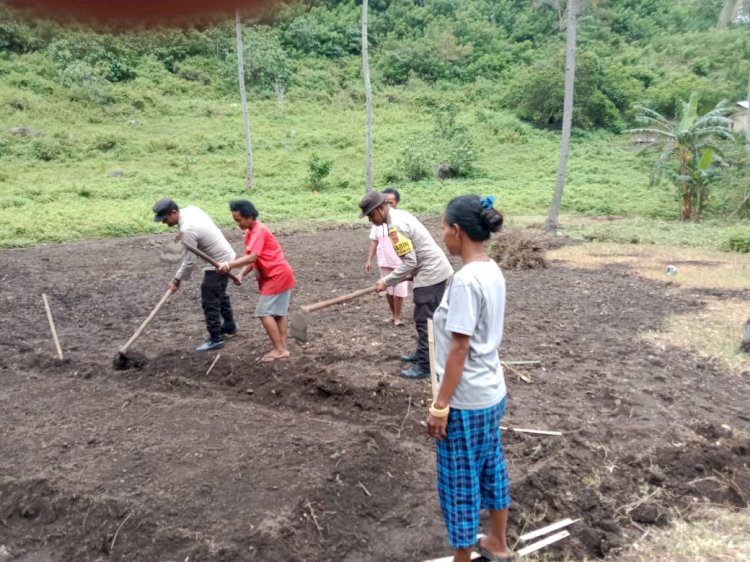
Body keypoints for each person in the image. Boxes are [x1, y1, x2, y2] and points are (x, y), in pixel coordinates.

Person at [426, 194, 511, 562]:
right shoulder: (492, 270)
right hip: (492, 393)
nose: (442, 233)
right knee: (491, 465)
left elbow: (459, 349)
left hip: (465, 401)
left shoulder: (464, 281)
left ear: (457, 231)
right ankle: (498, 543)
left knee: (459, 485)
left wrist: (440, 405)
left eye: (443, 227)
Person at [359, 191, 453, 379]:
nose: (371, 221)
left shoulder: (395, 227)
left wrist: (386, 281)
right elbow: (413, 259)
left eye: (371, 215)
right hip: (430, 270)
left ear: (380, 209)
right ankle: (422, 353)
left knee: (424, 320)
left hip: (431, 273)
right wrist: (402, 276)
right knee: (424, 318)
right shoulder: (400, 215)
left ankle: (426, 365)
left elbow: (409, 262)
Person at [153, 197, 238, 352]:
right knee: (218, 293)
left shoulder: (187, 229)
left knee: (209, 298)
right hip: (225, 254)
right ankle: (229, 326)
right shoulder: (191, 209)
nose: (164, 223)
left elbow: (190, 262)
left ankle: (216, 338)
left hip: (219, 262)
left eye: (165, 219)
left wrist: (176, 280)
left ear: (173, 212)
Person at [218, 200, 295, 362]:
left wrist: (228, 264)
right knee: (279, 314)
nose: (237, 224)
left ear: (250, 217)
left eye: (239, 220)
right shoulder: (249, 233)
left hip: (277, 274)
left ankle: (279, 349)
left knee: (264, 312)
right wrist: (241, 275)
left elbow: (252, 256)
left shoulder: (259, 230)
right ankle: (283, 349)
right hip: (277, 274)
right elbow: (254, 260)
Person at [365, 188, 408, 326]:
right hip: (384, 260)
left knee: (399, 291)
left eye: (391, 202)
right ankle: (392, 314)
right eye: (386, 202)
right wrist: (369, 260)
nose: (389, 204)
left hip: (400, 262)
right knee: (388, 290)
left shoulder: (400, 220)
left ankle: (397, 316)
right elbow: (374, 241)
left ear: (397, 203)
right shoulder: (378, 222)